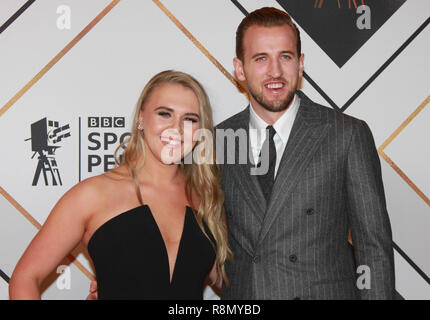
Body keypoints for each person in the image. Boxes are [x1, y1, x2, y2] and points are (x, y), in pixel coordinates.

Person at [215, 7, 395, 299]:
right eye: (261, 58)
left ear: (300, 64)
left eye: (285, 57)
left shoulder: (345, 134)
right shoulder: (220, 139)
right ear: (239, 68)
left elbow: (374, 249)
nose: (275, 71)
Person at [9, 70, 232, 300]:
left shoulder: (207, 198)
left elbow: (227, 282)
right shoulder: (93, 195)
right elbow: (25, 278)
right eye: (165, 114)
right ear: (141, 119)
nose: (176, 127)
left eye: (190, 119)